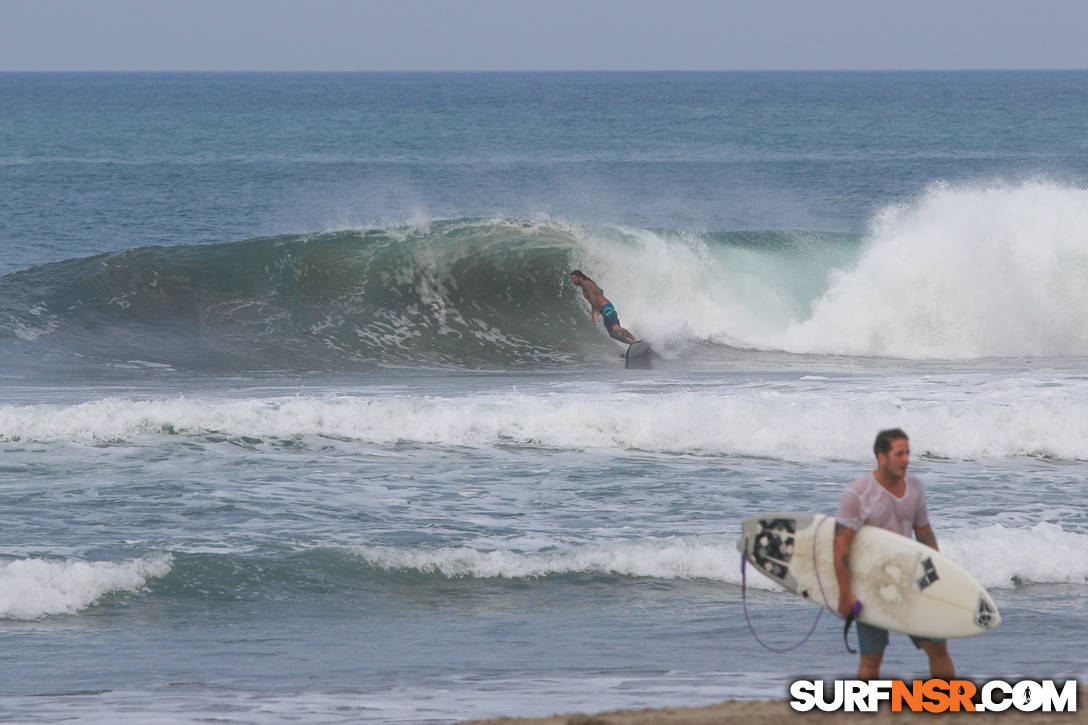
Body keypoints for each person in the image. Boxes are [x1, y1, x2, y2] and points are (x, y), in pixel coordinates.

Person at [832, 428, 955, 680]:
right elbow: (841, 546)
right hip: (870, 582)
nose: (906, 459)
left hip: (909, 578)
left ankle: (947, 705)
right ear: (881, 456)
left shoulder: (915, 488)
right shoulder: (858, 493)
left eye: (908, 453)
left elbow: (924, 534)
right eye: (899, 454)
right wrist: (845, 593)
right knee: (872, 655)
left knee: (937, 647)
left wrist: (937, 577)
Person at [569, 269, 639, 344]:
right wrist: (593, 313)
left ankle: (634, 339)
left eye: (574, 278)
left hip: (606, 308)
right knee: (612, 334)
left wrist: (597, 308)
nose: (573, 281)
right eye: (572, 279)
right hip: (604, 309)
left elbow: (593, 297)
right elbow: (599, 293)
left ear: (580, 277)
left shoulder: (586, 284)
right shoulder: (586, 285)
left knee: (615, 328)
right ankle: (632, 344)